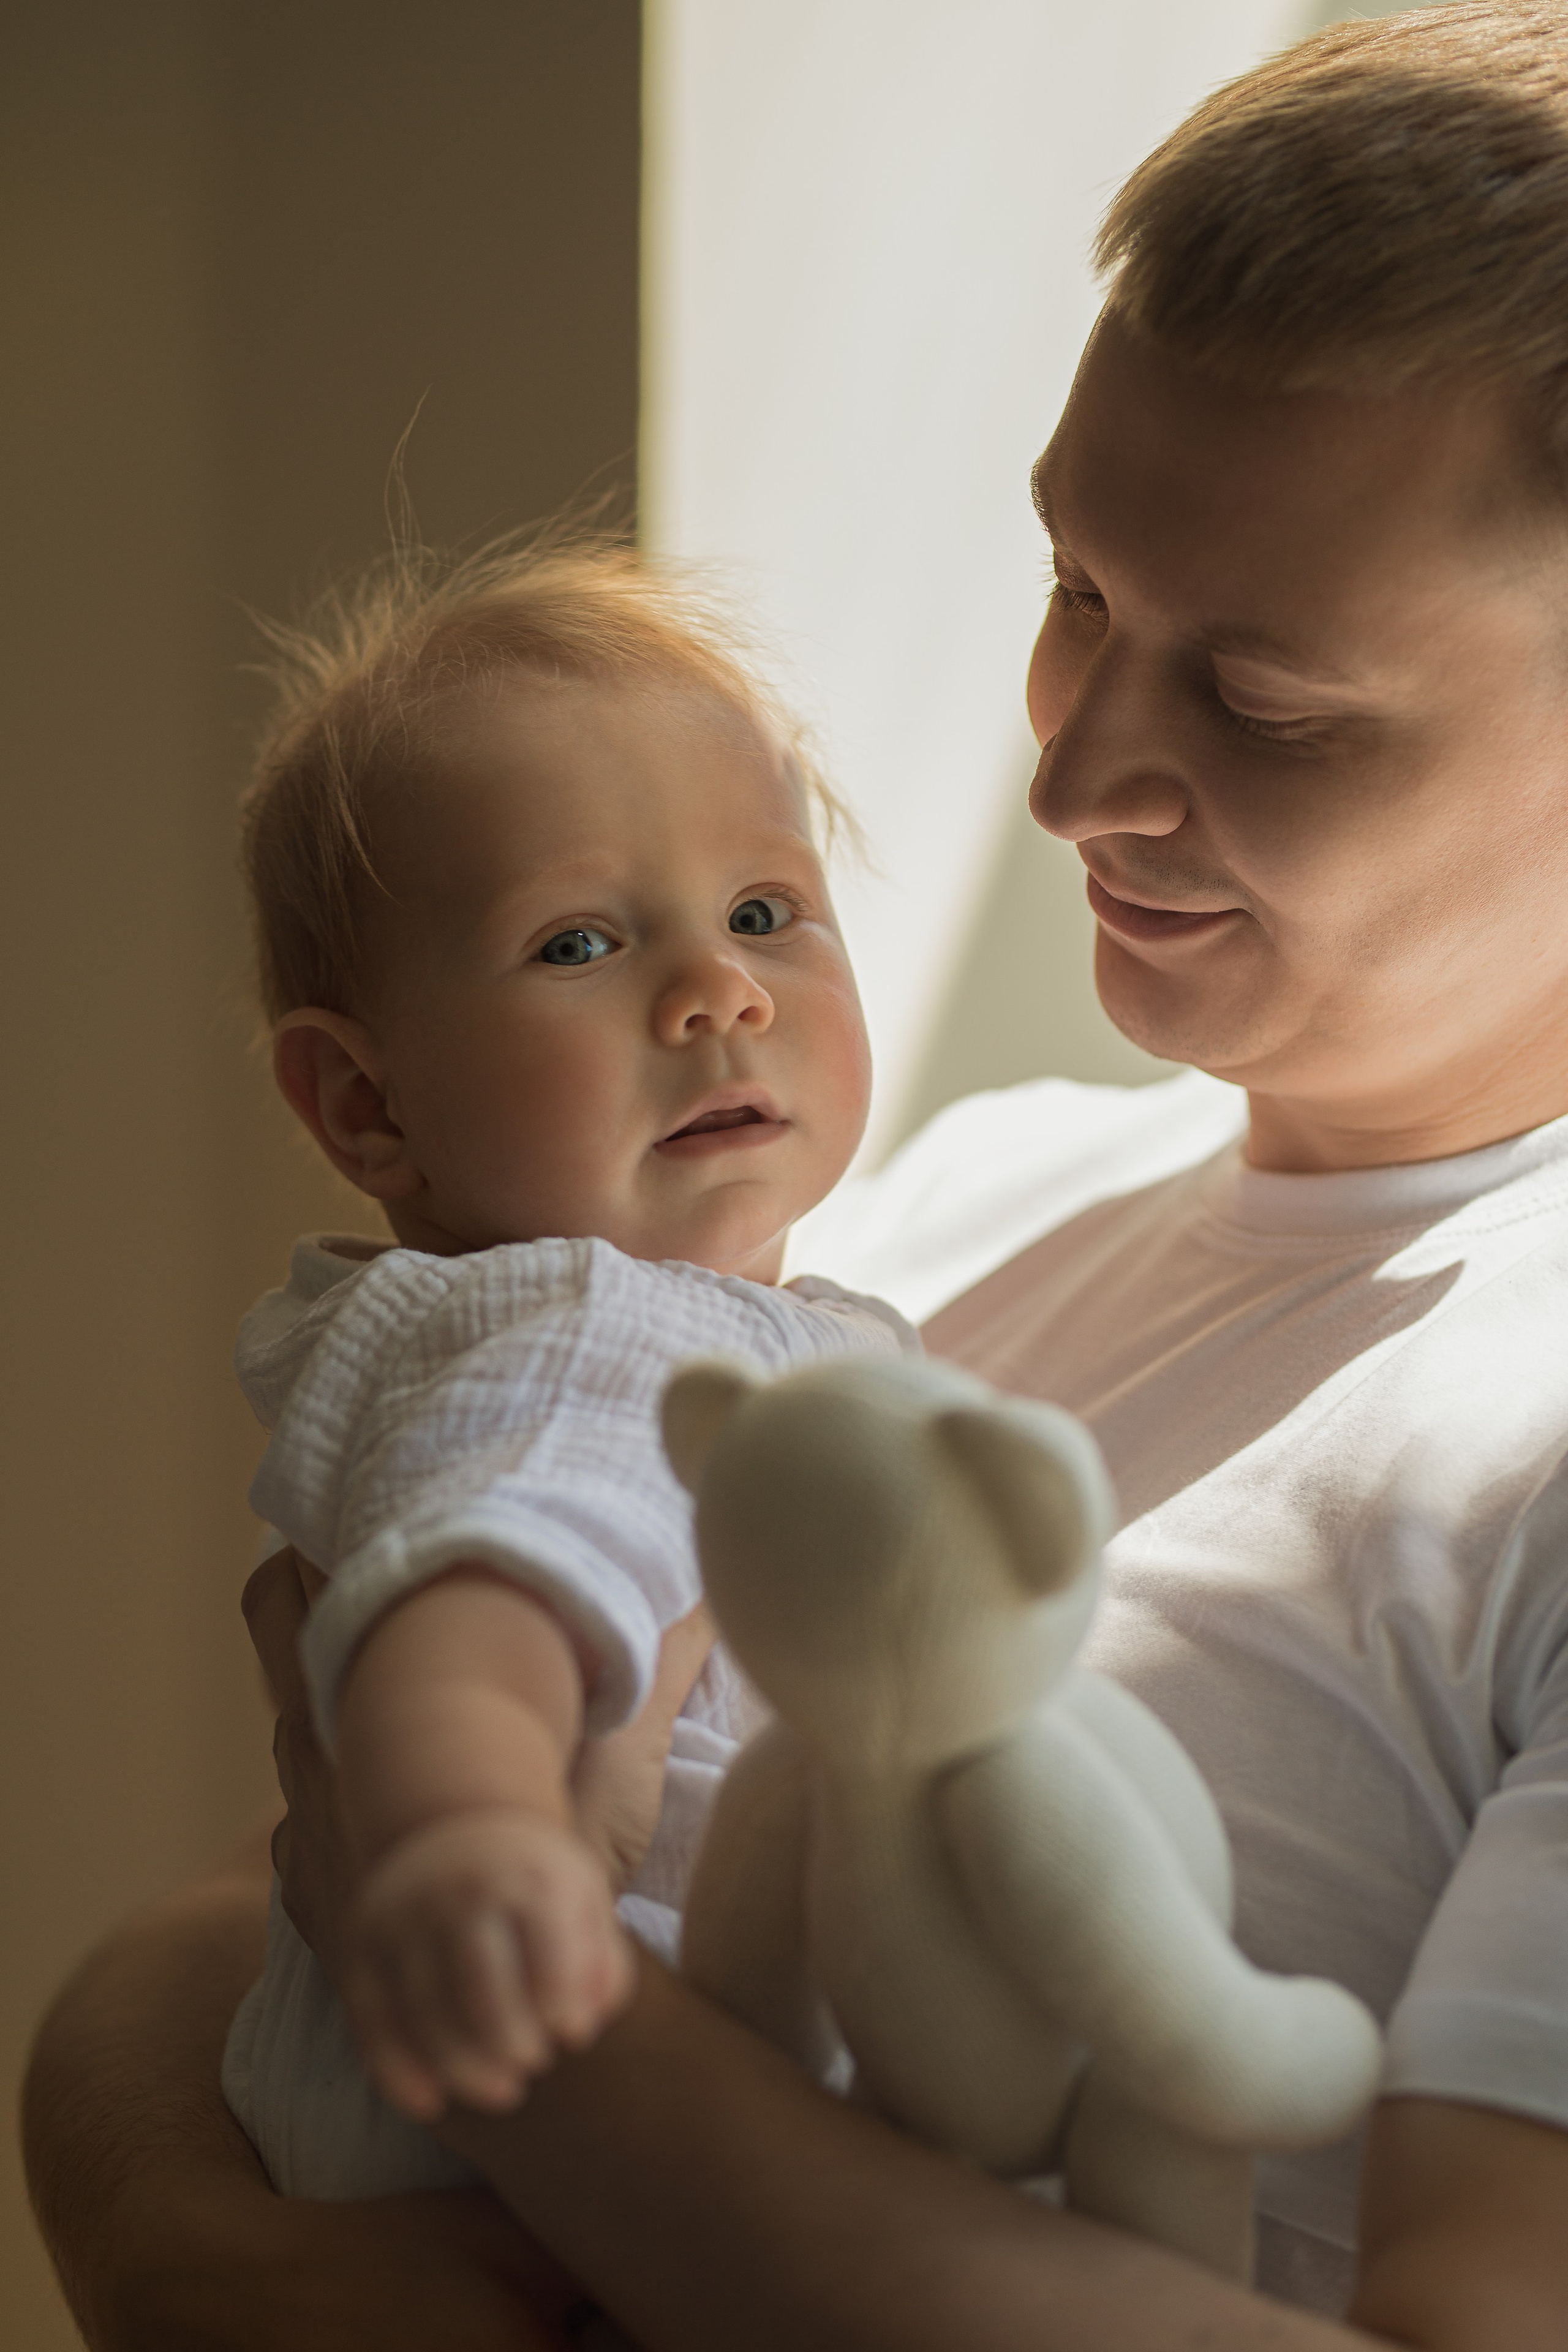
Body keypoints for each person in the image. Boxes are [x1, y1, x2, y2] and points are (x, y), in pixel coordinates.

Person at [23, 4, 1568, 2345]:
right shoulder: (895, 1226)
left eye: (1267, 706)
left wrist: (549, 2101)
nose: (1074, 783)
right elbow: (234, 1932)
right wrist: (200, 2251)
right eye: (1075, 598)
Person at [215, 542, 914, 2198]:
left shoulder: (717, 1322)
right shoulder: (586, 1328)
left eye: (764, 912)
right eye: (581, 946)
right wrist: (471, 1832)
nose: (719, 991)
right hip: (540, 2093)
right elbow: (485, 1587)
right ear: (367, 1110)